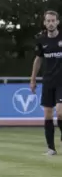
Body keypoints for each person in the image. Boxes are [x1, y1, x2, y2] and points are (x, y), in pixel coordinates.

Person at [31, 10, 62, 155]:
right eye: (48, 21)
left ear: (57, 22)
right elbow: (38, 60)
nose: (50, 23)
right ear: (44, 23)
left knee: (60, 113)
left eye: (53, 20)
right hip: (48, 81)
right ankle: (51, 148)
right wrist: (33, 79)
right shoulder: (41, 40)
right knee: (48, 114)